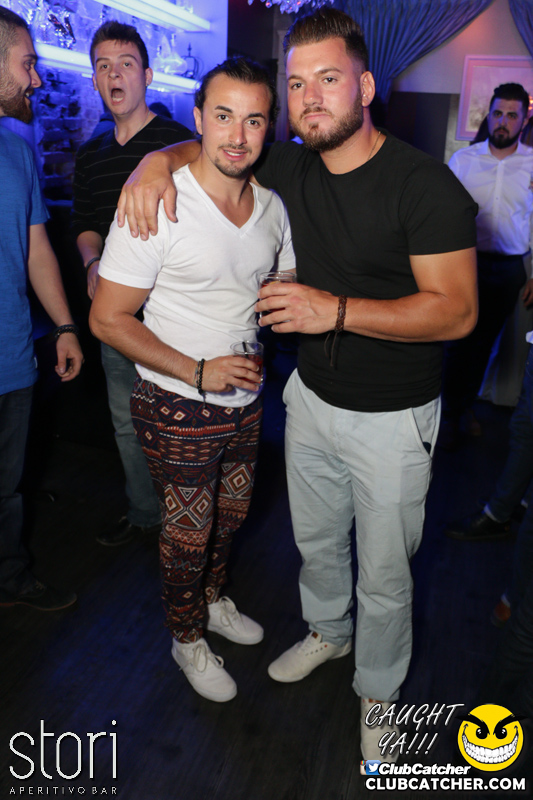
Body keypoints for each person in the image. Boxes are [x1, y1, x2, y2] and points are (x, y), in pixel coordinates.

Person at [114, 8, 477, 756]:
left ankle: (378, 691)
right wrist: (151, 165)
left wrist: (332, 310)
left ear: (365, 87)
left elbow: (458, 311)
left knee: (384, 572)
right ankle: (328, 633)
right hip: (307, 401)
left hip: (392, 416)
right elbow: (215, 142)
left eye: (329, 79)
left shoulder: (425, 185)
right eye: (299, 83)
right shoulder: (289, 165)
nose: (311, 97)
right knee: (317, 545)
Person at [89, 57, 295, 702]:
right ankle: (186, 639)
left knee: (229, 519)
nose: (237, 134)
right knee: (186, 534)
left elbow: (279, 282)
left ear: (268, 128)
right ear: (199, 118)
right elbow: (107, 318)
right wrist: (199, 370)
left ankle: (211, 600)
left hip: (247, 399)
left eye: (254, 120)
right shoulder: (158, 200)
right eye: (223, 115)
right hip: (177, 400)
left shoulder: (272, 208)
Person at [72, 21, 192, 546]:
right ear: (95, 80)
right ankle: (145, 515)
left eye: (125, 64)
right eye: (103, 66)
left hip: (175, 316)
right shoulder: (90, 153)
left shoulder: (180, 144)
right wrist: (91, 262)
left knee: (181, 422)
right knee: (127, 422)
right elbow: (85, 223)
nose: (114, 74)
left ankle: (187, 524)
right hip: (116, 316)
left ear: (147, 74)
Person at [0, 7, 83, 611]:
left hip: (12, 356)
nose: (36, 78)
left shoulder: (18, 152)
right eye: (27, 63)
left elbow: (37, 252)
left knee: (7, 489)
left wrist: (65, 326)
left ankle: (9, 579)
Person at [441, 83, 533, 447]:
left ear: (524, 119)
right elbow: (442, 215)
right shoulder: (464, 160)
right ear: (488, 116)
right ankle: (448, 415)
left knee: (484, 345)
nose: (503, 121)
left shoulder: (531, 164)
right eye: (497, 113)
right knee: (456, 341)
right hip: (467, 265)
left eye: (511, 115)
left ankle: (463, 408)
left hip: (509, 270)